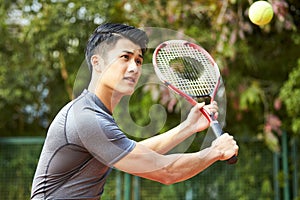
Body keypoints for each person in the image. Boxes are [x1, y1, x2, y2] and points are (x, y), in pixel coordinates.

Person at [31, 23, 239, 199]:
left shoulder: (93, 113)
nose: (134, 68)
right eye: (125, 57)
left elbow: (137, 152)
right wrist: (216, 152)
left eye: (138, 60)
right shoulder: (87, 119)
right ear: (98, 62)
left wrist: (188, 127)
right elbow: (165, 171)